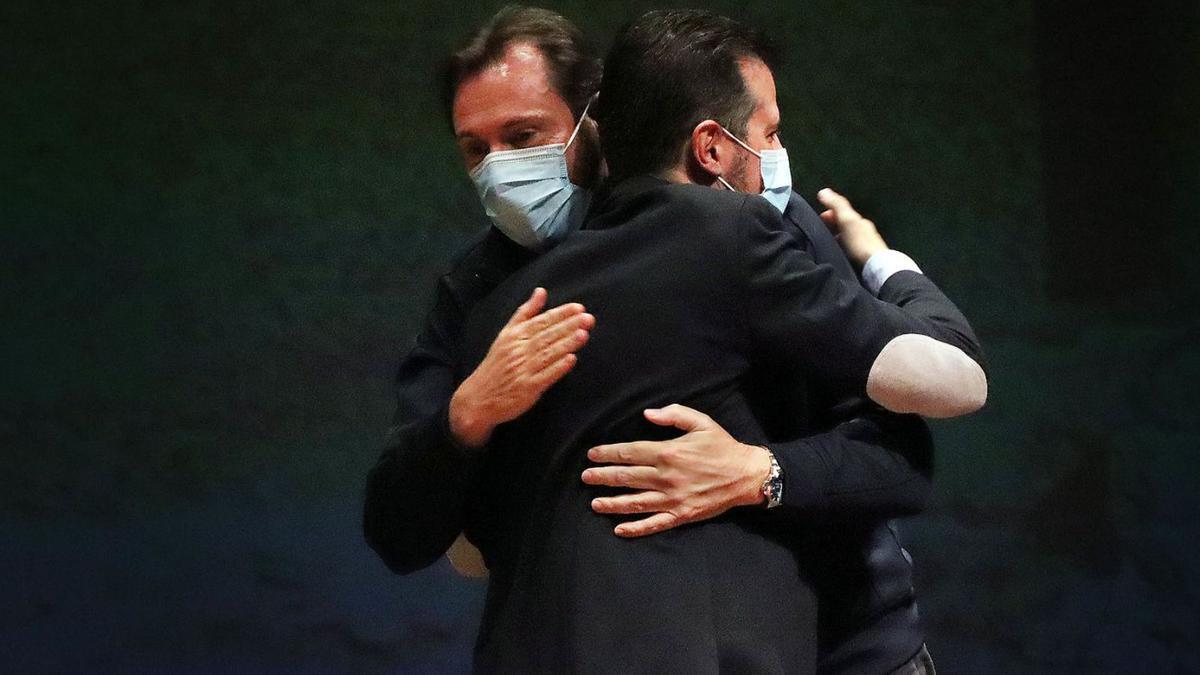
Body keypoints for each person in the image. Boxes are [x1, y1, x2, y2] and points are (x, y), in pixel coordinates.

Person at [364, 6, 981, 673]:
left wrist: (760, 473)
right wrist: (469, 414)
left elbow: (899, 448)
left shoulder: (753, 226)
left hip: (849, 643)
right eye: (475, 150)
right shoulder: (479, 292)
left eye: (524, 135)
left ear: (592, 124)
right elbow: (423, 534)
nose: (500, 171)